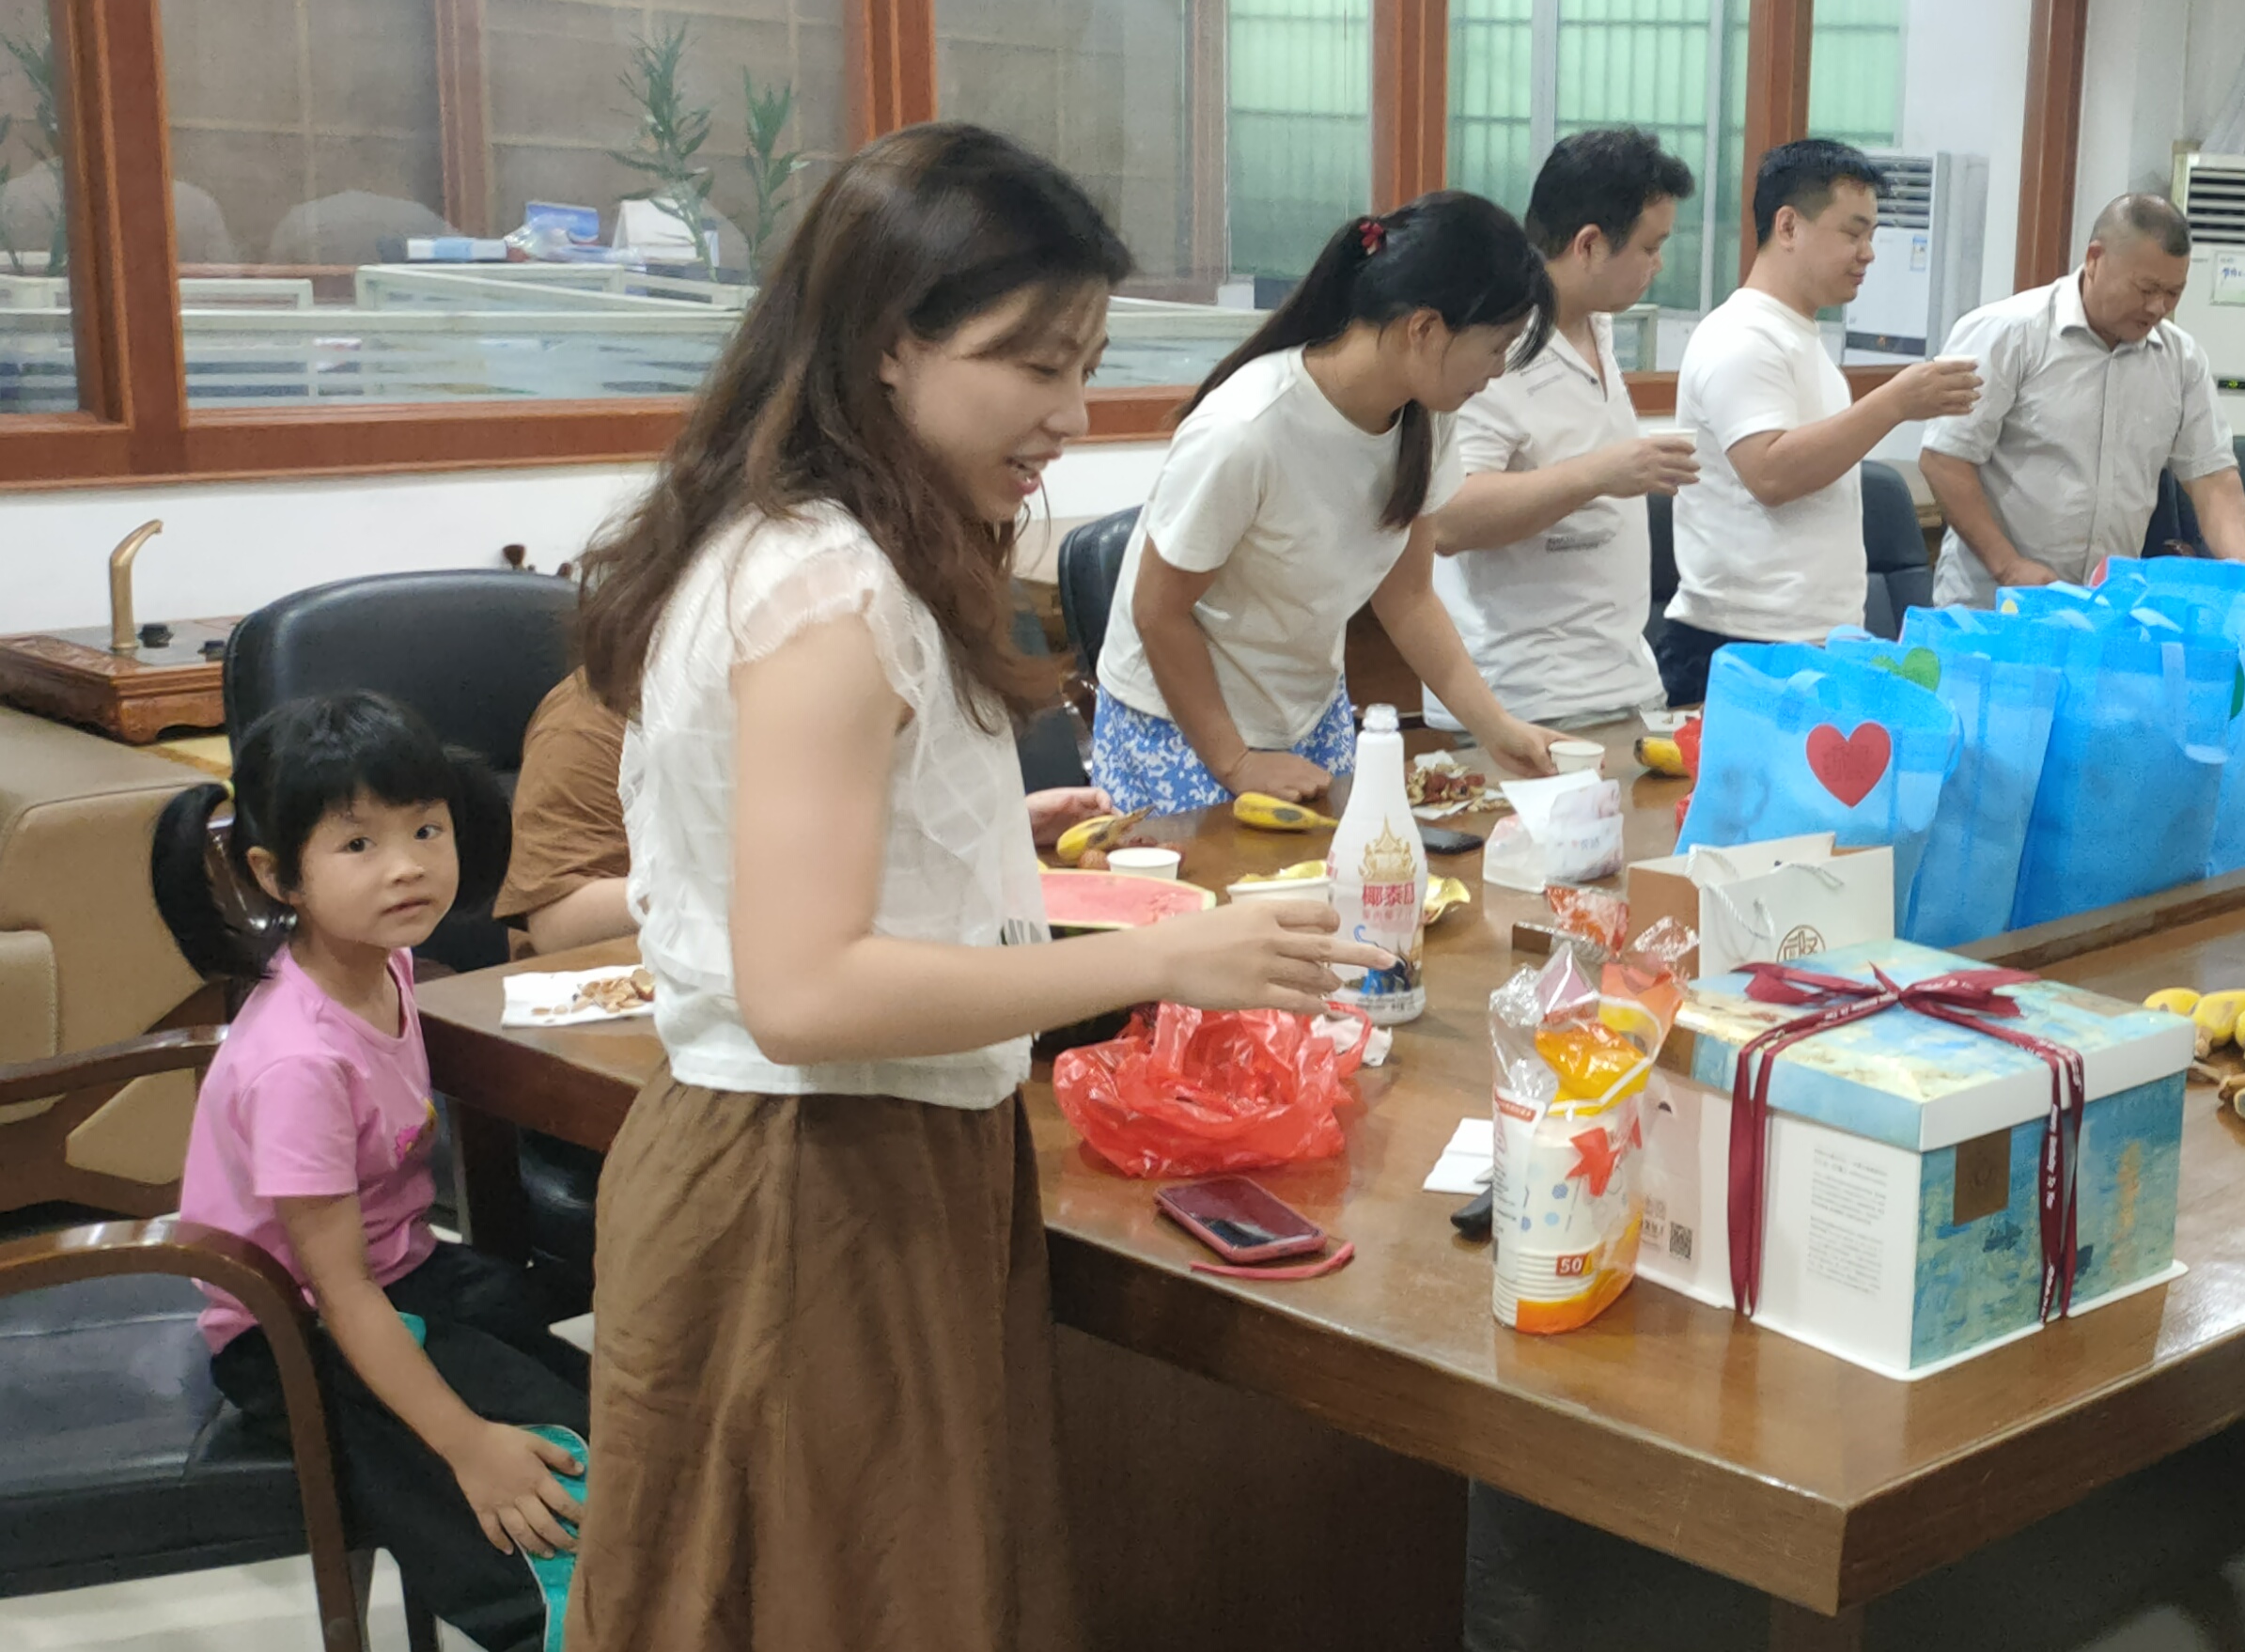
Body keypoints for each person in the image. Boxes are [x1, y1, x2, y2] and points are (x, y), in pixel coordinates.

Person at [561, 121, 1387, 1652]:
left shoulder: (842, 545)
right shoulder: (825, 589)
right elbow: (807, 992)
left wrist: (1001, 845)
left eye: (1086, 362)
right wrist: (1166, 958)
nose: (1072, 412)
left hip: (869, 1157)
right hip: (807, 1182)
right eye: (1032, 362)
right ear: (891, 344)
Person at [150, 691, 592, 1652]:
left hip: (401, 1273)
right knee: (556, 1474)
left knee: (622, 1408)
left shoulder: (383, 964)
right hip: (293, 1325)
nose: (407, 867)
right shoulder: (301, 1061)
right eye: (357, 845)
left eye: (426, 829)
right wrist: (466, 1444)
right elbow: (341, 1297)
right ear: (279, 876)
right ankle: (555, 1621)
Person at [1092, 192, 1575, 814]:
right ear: (1425, 329)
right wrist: (1235, 761)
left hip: (1304, 714)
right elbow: (1157, 611)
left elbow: (1409, 597)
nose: (1500, 369)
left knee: (1346, 898)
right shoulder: (1246, 428)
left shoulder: (1426, 416)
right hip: (1181, 722)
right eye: (1497, 344)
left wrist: (1496, 727)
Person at [1655, 138, 1982, 705]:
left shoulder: (1798, 336)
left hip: (1817, 640)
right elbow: (1772, 475)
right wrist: (1894, 401)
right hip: (1746, 643)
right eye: (1851, 233)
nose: (1868, 253)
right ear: (1788, 227)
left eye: (1872, 235)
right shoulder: (1742, 335)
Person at [494, 672, 1108, 956]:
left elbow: (854, 838)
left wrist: (995, 825)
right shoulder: (598, 712)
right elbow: (557, 922)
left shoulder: (828, 686)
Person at [1425, 129, 1703, 731]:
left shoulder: (1597, 325)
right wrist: (1603, 473)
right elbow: (1448, 517)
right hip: (1527, 702)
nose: (1658, 266)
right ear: (1589, 245)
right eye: (1650, 248)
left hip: (1621, 683)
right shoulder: (1495, 346)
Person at [1919, 192, 2245, 602]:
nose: (2158, 307)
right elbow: (1945, 459)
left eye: (2174, 293)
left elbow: (2212, 477)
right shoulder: (2007, 334)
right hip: (1994, 605)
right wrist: (2007, 564)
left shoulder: (2179, 359)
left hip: (2104, 610)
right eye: (2146, 288)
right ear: (2094, 259)